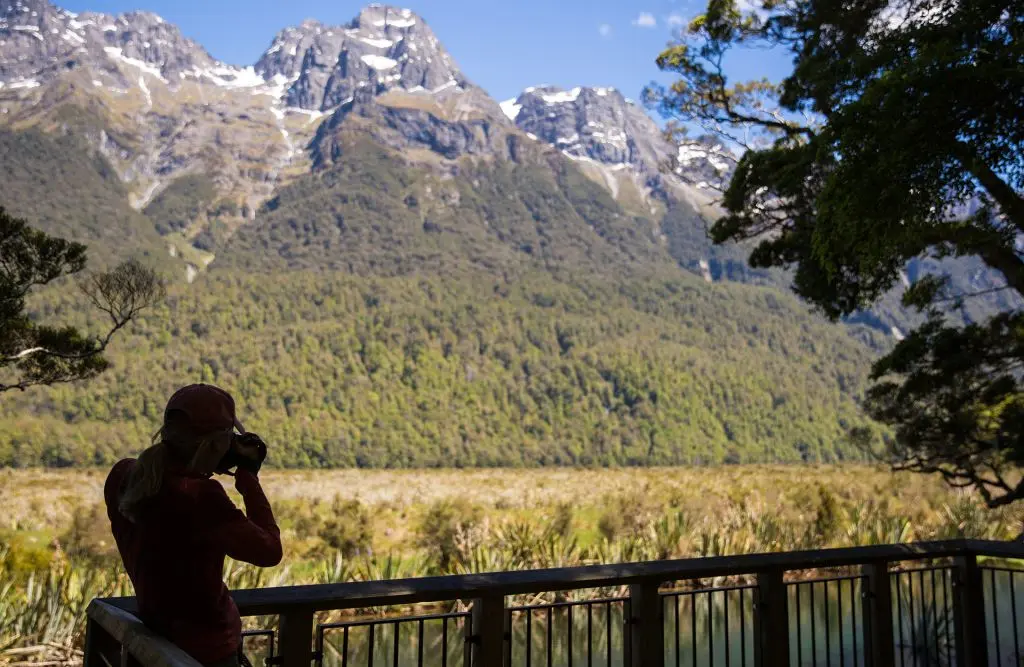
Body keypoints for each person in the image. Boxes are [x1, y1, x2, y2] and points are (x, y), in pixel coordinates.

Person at [104, 384, 282, 667]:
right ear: (216, 443)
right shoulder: (201, 496)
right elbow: (269, 551)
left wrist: (209, 462)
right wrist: (248, 476)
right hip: (208, 652)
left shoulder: (123, 476)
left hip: (155, 645)